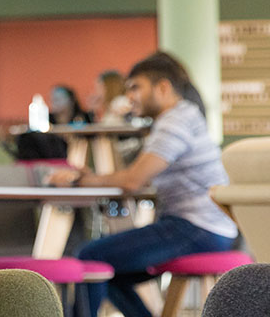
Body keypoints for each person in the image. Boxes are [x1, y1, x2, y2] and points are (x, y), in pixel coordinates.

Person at [48, 52, 238, 317]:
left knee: (89, 257)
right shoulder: (180, 118)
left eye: (136, 87)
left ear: (163, 87)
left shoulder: (176, 122)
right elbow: (134, 175)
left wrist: (81, 180)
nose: (130, 97)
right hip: (201, 226)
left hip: (196, 228)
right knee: (107, 271)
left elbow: (132, 180)